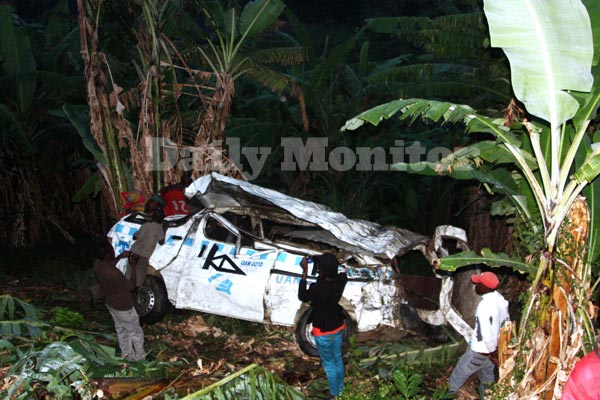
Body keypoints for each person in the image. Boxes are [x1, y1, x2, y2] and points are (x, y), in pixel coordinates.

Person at [448, 271, 510, 397]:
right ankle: (488, 396)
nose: (475, 286)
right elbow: (506, 323)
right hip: (491, 350)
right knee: (487, 377)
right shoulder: (500, 300)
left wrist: (491, 352)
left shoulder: (485, 306)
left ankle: (446, 395)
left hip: (481, 351)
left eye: (478, 284)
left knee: (459, 373)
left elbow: (486, 333)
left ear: (486, 288)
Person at [298, 253, 348, 399]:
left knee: (329, 364)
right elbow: (336, 274)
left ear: (323, 270)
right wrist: (319, 262)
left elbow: (302, 295)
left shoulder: (316, 289)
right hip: (338, 326)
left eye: (319, 267)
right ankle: (341, 389)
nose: (318, 268)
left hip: (323, 330)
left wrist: (305, 272)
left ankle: (334, 395)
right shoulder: (341, 281)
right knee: (337, 357)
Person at [94, 240, 145, 361]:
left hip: (111, 304)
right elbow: (132, 287)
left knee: (121, 330)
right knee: (135, 333)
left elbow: (109, 264)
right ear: (107, 255)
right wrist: (133, 267)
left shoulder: (98, 264)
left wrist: (120, 257)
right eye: (111, 251)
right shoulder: (114, 274)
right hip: (124, 307)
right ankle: (141, 359)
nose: (113, 251)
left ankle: (127, 356)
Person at [129, 210, 165, 287]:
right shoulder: (159, 227)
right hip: (143, 255)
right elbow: (161, 242)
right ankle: (133, 295)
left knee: (129, 276)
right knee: (139, 280)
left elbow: (134, 237)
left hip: (133, 251)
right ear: (161, 220)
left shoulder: (145, 225)